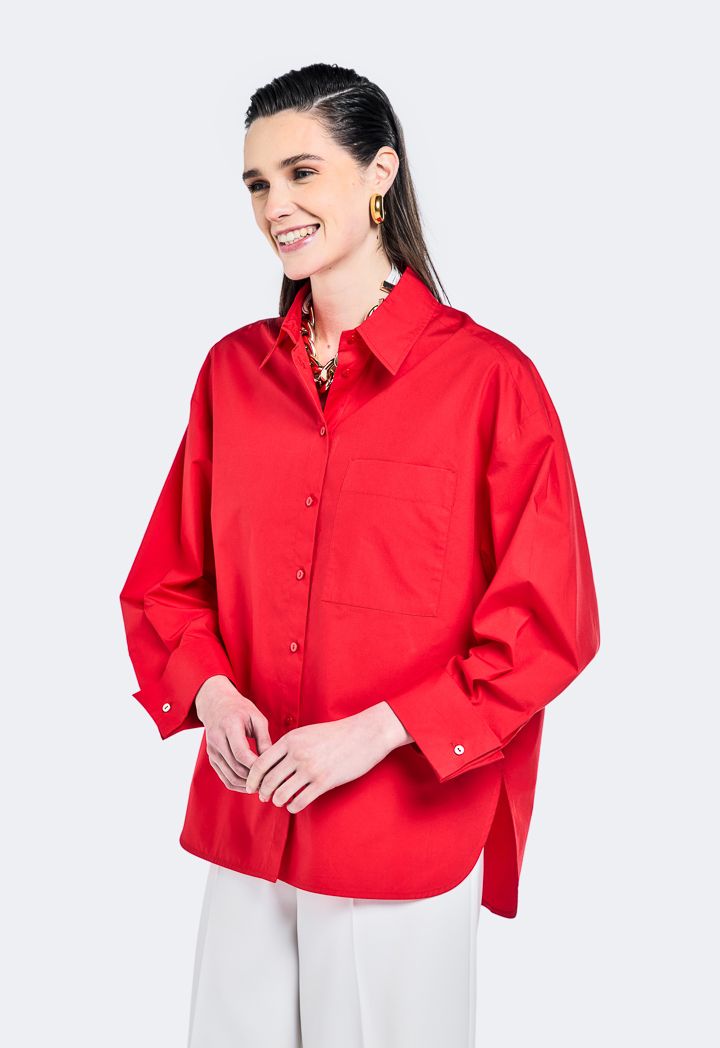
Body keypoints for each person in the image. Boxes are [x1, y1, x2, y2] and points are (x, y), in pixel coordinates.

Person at [119, 62, 601, 1048]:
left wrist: (374, 733)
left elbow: (549, 624)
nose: (276, 206)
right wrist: (211, 693)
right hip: (251, 824)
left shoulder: (490, 382)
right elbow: (166, 582)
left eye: (303, 173)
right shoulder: (231, 375)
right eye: (258, 183)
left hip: (401, 836)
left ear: (380, 173)